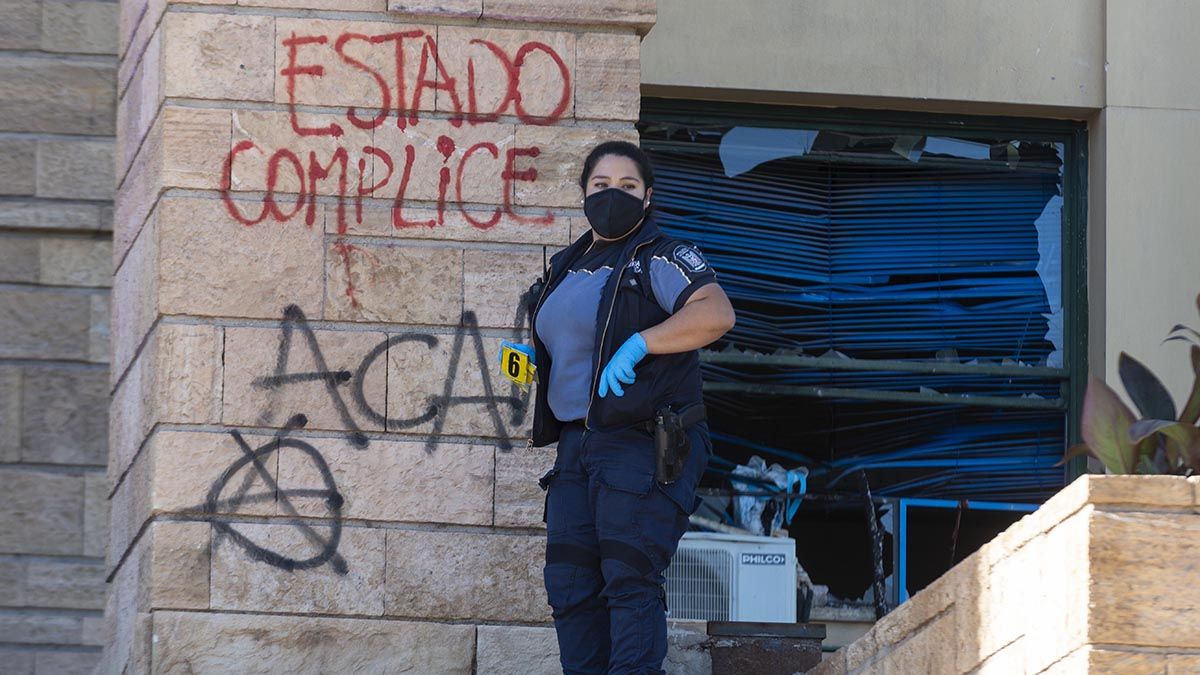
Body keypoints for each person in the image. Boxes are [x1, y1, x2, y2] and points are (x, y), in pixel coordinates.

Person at [510, 140, 736, 674]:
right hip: (576, 445)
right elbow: (570, 340)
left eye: (628, 186)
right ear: (584, 194)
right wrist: (531, 358)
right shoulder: (566, 265)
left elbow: (716, 313)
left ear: (648, 196)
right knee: (569, 583)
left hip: (640, 440)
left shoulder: (659, 256)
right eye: (601, 185)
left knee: (629, 576)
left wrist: (642, 343)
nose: (613, 195)